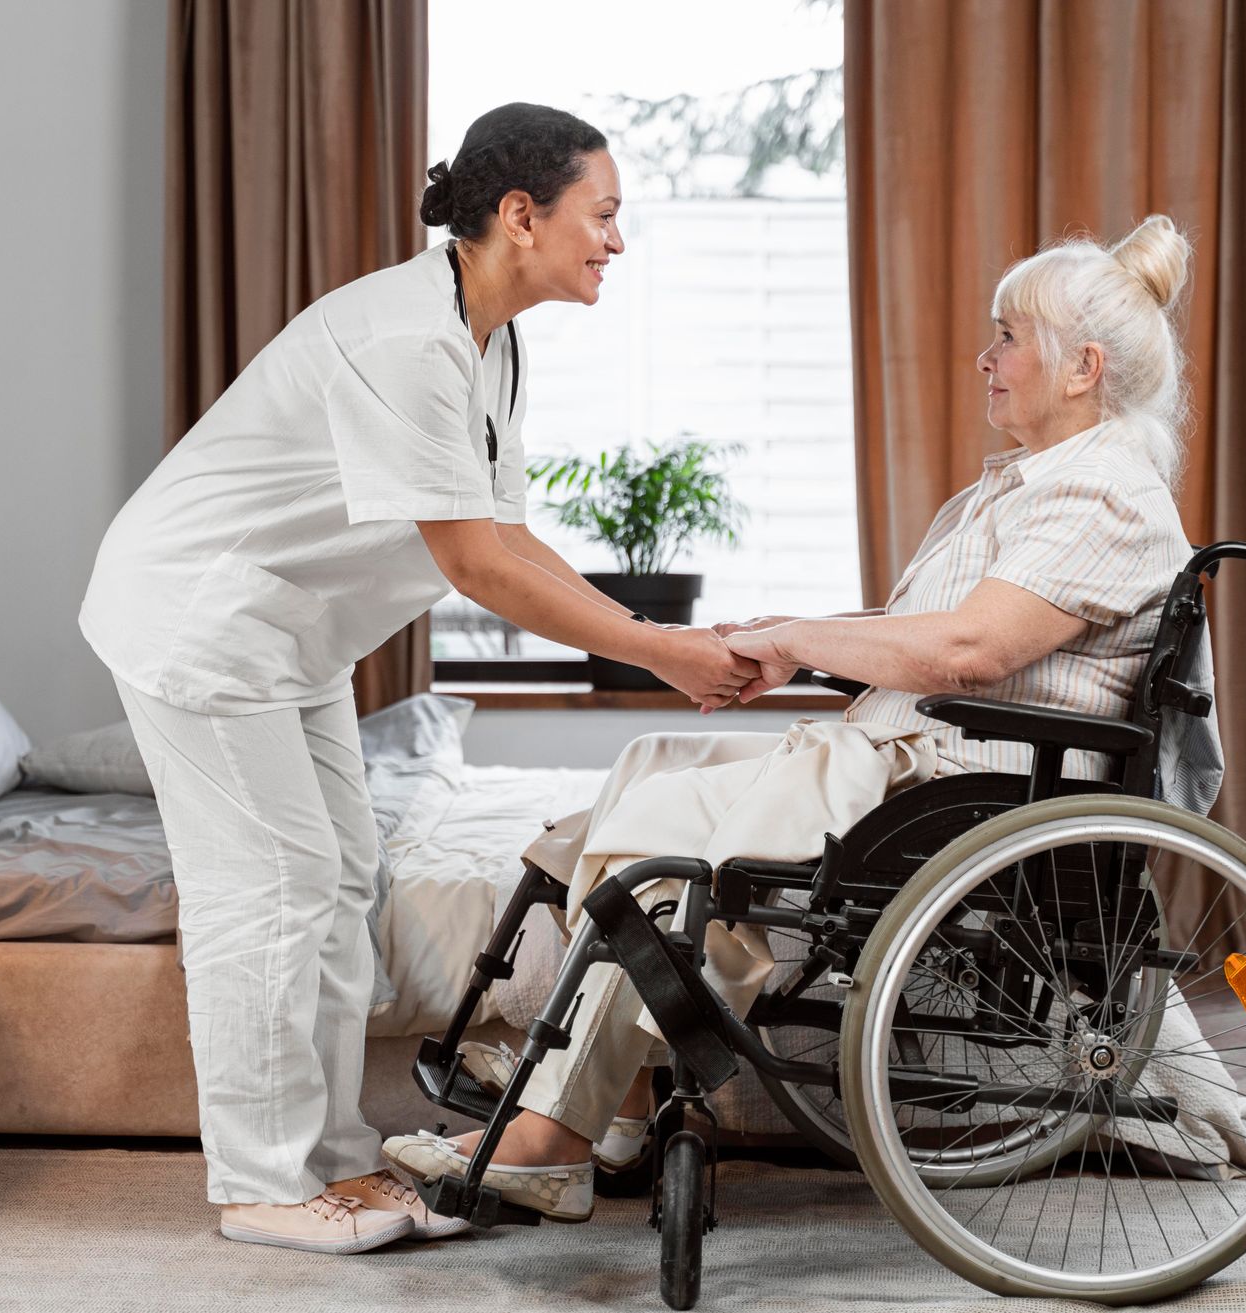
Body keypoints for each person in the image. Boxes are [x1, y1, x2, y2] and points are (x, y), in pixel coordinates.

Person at [382, 214, 1205, 1224]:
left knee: (662, 844)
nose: (985, 357)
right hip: (918, 756)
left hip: (949, 784)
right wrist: (783, 633)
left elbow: (966, 652)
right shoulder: (1038, 485)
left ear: (1082, 368)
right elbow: (925, 632)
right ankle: (614, 1094)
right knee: (650, 763)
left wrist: (802, 640)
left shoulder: (1102, 494)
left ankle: (559, 1128)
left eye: (1008, 337)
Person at [78, 102, 762, 1255]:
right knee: (274, 882)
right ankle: (258, 1183)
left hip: (291, 633)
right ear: (519, 215)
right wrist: (665, 651)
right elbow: (476, 564)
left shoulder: (490, 337)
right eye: (604, 216)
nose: (616, 242)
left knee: (345, 872)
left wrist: (655, 634)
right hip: (202, 616)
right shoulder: (408, 338)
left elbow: (511, 532)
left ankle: (329, 1153)